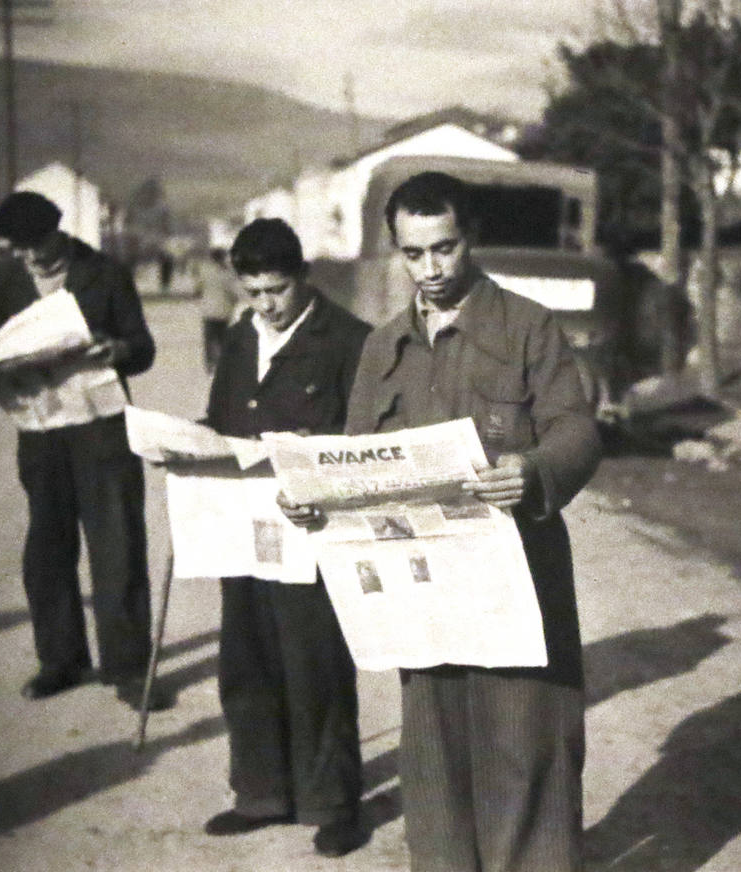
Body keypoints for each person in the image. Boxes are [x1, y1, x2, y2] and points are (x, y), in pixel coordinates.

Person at [279, 171, 601, 872]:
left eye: (444, 248)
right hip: (420, 593)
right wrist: (315, 501)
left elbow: (577, 428)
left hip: (514, 579)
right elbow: (356, 458)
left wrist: (535, 469)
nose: (430, 269)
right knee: (435, 765)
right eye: (413, 253)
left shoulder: (526, 327)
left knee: (527, 754)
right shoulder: (382, 347)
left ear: (471, 238)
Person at [198, 218, 370, 858]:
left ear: (303, 278)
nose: (265, 305)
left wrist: (319, 466)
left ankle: (333, 804)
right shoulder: (243, 338)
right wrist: (188, 448)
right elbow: (221, 418)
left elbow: (366, 446)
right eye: (253, 292)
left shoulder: (349, 341)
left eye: (276, 290)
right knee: (245, 659)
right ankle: (261, 793)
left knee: (315, 666)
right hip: (243, 527)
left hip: (313, 534)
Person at [0, 191, 166, 711]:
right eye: (19, 251)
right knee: (47, 551)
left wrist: (118, 350)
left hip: (101, 431)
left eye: (37, 247)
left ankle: (126, 670)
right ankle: (61, 660)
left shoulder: (106, 273)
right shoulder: (7, 279)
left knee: (117, 547)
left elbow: (143, 346)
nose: (30, 259)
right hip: (40, 431)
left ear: (58, 232)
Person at [197, 247, 245, 373]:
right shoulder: (227, 273)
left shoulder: (204, 272)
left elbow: (198, 289)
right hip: (224, 311)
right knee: (222, 339)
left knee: (209, 339)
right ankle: (223, 364)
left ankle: (210, 364)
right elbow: (234, 292)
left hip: (208, 311)